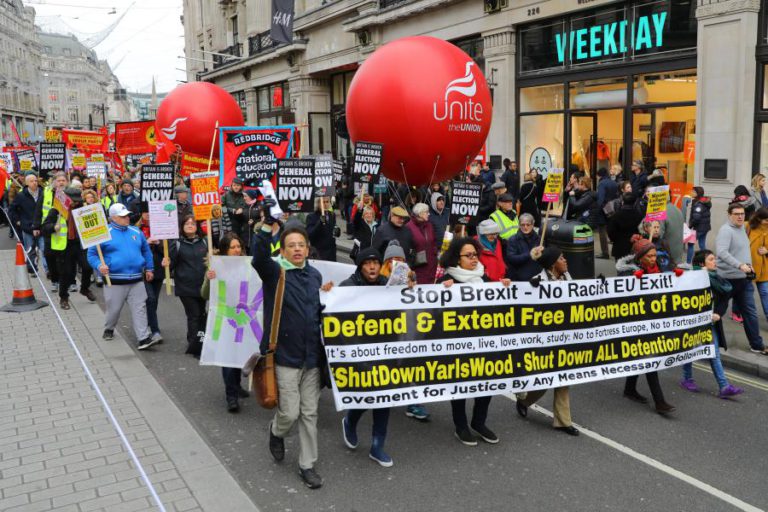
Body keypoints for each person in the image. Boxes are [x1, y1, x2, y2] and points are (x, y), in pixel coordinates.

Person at [253, 215, 328, 489]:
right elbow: (258, 258)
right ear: (282, 251)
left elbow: (319, 312)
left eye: (301, 245)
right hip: (284, 357)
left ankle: (307, 465)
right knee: (290, 414)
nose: (297, 249)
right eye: (291, 245)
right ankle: (276, 431)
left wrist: (328, 296)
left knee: (310, 413)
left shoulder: (315, 276)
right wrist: (264, 228)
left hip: (311, 358)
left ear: (308, 249)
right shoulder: (275, 273)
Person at [439, 237, 511, 445]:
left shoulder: (484, 278)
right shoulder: (448, 281)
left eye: (475, 254)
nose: (473, 258)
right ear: (457, 258)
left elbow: (498, 304)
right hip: (459, 344)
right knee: (460, 386)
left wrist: (504, 286)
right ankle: (460, 426)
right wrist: (441, 289)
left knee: (485, 383)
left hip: (484, 342)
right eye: (468, 255)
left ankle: (479, 422)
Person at [338, 247, 395, 467]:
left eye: (375, 263)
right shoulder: (348, 287)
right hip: (359, 351)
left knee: (385, 397)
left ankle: (377, 446)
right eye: (367, 263)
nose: (372, 267)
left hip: (385, 352)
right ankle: (350, 421)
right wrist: (328, 293)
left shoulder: (388, 285)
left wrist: (410, 288)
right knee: (366, 395)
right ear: (360, 266)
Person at [515, 246, 579, 436]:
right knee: (542, 382)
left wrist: (598, 289)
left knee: (563, 379)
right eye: (562, 258)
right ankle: (524, 400)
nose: (565, 261)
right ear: (553, 264)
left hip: (564, 337)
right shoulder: (537, 283)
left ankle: (563, 421)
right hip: (545, 340)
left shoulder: (568, 278)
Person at [616, 236, 676, 413]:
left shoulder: (657, 269)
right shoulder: (628, 273)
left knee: (640, 356)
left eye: (654, 255)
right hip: (636, 323)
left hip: (653, 321)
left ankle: (629, 389)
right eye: (649, 256)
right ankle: (660, 402)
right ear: (639, 257)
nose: (653, 259)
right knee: (650, 360)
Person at [87, 203, 156, 350]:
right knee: (114, 309)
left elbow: (146, 251)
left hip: (137, 279)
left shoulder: (136, 231)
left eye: (127, 215)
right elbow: (92, 254)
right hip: (114, 280)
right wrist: (99, 265)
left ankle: (143, 338)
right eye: (123, 216)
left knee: (140, 308)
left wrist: (149, 268)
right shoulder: (103, 233)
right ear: (113, 218)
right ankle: (109, 328)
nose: (127, 218)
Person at [680, 250, 744, 398]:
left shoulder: (717, 279)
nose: (715, 262)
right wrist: (697, 272)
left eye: (714, 258)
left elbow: (724, 299)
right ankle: (687, 379)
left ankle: (724, 386)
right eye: (711, 259)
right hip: (693, 322)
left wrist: (718, 314)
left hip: (710, 323)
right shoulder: (692, 276)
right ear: (702, 263)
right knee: (689, 349)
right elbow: (681, 277)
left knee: (713, 353)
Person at [202, 232, 251, 412]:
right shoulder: (216, 267)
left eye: (239, 247)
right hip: (224, 318)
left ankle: (236, 386)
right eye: (233, 247)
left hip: (242, 317)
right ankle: (231, 395)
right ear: (224, 250)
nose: (237, 250)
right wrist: (209, 279)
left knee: (239, 353)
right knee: (227, 356)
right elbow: (205, 294)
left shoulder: (247, 266)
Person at [717, 203, 768, 354]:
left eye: (742, 214)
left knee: (750, 313)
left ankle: (757, 345)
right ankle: (709, 342)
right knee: (717, 312)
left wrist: (749, 266)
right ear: (729, 215)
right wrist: (740, 265)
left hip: (744, 280)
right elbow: (721, 252)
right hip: (726, 280)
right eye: (736, 214)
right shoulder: (726, 231)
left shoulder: (742, 229)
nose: (740, 216)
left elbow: (744, 251)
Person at [41, 186, 95, 309]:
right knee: (65, 273)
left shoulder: (82, 208)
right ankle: (64, 298)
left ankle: (85, 289)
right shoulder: (56, 211)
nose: (75, 203)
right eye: (73, 200)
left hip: (79, 244)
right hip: (64, 247)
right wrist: (53, 228)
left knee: (87, 267)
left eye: (77, 200)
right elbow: (44, 227)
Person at [164, 215, 209, 358]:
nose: (190, 225)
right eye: (187, 223)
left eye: (193, 223)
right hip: (186, 287)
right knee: (194, 314)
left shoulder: (205, 242)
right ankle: (194, 345)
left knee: (202, 314)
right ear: (182, 227)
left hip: (202, 286)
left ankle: (199, 340)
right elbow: (171, 264)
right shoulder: (177, 244)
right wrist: (167, 263)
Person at [136, 209, 165, 345]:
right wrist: (146, 243)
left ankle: (147, 324)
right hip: (142, 269)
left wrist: (159, 243)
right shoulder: (136, 229)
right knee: (150, 299)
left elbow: (167, 250)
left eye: (150, 211)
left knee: (154, 301)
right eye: (145, 211)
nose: (147, 214)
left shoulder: (160, 228)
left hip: (158, 269)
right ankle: (155, 331)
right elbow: (133, 249)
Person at [34, 172, 68, 287]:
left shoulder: (70, 193)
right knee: (49, 255)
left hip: (64, 231)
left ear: (67, 182)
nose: (61, 182)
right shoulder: (46, 192)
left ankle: (66, 281)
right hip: (48, 229)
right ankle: (54, 280)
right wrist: (36, 226)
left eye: (63, 180)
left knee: (64, 257)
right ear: (54, 182)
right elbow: (38, 210)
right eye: (59, 180)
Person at [10, 173, 46, 275]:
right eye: (31, 181)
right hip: (27, 228)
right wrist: (18, 221)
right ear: (26, 183)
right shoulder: (21, 196)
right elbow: (12, 210)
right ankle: (33, 269)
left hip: (42, 227)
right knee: (30, 250)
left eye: (35, 180)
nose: (34, 183)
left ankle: (48, 271)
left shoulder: (43, 193)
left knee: (44, 250)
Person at [406, 203, 437, 284]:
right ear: (420, 213)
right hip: (418, 267)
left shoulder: (429, 225)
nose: (429, 214)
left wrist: (435, 253)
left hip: (432, 266)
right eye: (426, 212)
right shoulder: (408, 227)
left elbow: (433, 242)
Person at [607, 192, 644, 262]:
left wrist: (615, 239)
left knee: (620, 268)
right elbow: (642, 230)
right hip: (635, 246)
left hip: (619, 247)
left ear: (622, 201)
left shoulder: (616, 216)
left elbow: (610, 231)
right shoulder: (639, 215)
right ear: (635, 202)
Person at [505, 213, 541, 281]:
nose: (525, 227)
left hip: (536, 277)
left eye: (528, 225)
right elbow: (511, 259)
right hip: (519, 278)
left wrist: (543, 253)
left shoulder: (539, 239)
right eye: (522, 225)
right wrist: (529, 254)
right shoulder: (513, 240)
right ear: (519, 225)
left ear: (533, 225)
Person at [748, 208, 768, 322]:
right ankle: (736, 311)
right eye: (766, 220)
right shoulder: (749, 227)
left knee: (765, 293)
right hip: (748, 268)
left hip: (765, 269)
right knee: (745, 293)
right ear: (758, 218)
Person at [595, 168, 619, 258]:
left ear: (599, 175)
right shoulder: (613, 182)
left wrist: (597, 209)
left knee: (602, 231)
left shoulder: (601, 183)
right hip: (612, 209)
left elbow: (600, 199)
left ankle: (605, 253)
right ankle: (615, 251)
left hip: (603, 210)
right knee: (612, 229)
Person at [306, 197, 337, 262]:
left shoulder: (332, 215)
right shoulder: (311, 216)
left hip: (331, 254)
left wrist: (336, 231)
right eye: (323, 202)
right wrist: (319, 222)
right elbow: (310, 234)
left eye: (327, 202)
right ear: (318, 204)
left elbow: (332, 231)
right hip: (319, 253)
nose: (325, 204)